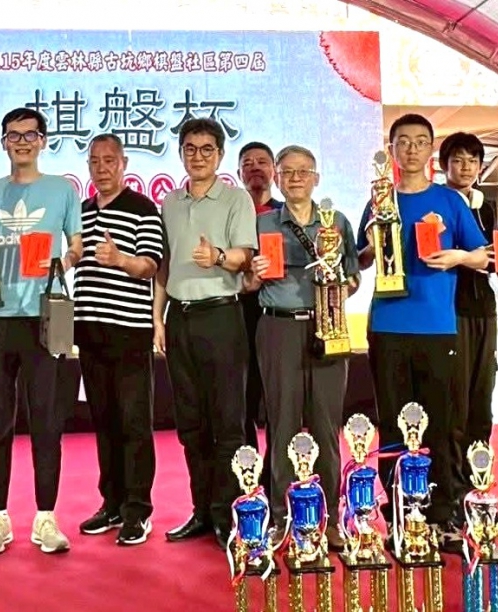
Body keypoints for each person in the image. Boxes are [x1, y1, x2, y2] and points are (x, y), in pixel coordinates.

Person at [356, 114, 488, 537]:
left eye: (419, 141)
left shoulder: (450, 200)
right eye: (403, 142)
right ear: (391, 150)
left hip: (437, 327)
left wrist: (458, 257)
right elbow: (361, 260)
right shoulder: (379, 200)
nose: (411, 149)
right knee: (393, 421)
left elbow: (483, 255)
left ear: (431, 149)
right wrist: (369, 244)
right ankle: (399, 511)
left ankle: (441, 511)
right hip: (387, 325)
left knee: (440, 421)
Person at [0, 107, 83, 555]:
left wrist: (59, 263)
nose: (21, 142)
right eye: (13, 135)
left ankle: (45, 517)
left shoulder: (62, 190)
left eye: (30, 135)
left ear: (43, 141)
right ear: (3, 143)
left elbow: (76, 246)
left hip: (45, 318)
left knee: (47, 421)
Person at [243, 145, 359, 551]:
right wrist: (255, 276)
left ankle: (330, 518)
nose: (295, 178)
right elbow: (246, 285)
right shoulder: (262, 223)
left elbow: (354, 279)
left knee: (327, 425)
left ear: (316, 178)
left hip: (328, 325)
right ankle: (282, 517)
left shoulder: (336, 222)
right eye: (287, 172)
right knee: (283, 424)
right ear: (276, 177)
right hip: (277, 328)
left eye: (303, 171)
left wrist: (337, 282)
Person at [153, 118, 257, 550]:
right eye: (190, 149)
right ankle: (200, 511)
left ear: (220, 155)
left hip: (221, 317)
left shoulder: (236, 199)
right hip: (179, 318)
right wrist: (158, 319)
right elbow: (164, 266)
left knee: (227, 423)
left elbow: (244, 257)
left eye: (207, 149)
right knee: (191, 424)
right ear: (181, 153)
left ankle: (226, 513)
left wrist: (215, 255)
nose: (198, 157)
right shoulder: (170, 203)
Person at [74, 134, 164, 546]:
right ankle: (110, 504)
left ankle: (137, 510)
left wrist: (120, 259)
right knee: (104, 421)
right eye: (95, 161)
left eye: (109, 160)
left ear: (124, 163)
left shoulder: (144, 209)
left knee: (134, 423)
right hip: (88, 331)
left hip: (129, 332)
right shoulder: (81, 211)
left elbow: (150, 267)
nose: (102, 168)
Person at [437, 132, 498, 528]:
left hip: (485, 311)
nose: (465, 167)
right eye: (457, 160)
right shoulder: (438, 204)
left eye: (472, 161)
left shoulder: (486, 207)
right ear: (443, 165)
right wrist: (467, 257)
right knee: (455, 407)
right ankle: (454, 493)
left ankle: (479, 489)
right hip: (451, 312)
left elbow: (493, 258)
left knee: (482, 402)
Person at [236, 142, 278, 493]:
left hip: (277, 317)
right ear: (238, 173)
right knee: (242, 402)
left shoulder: (285, 214)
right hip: (238, 315)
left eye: (262, 162)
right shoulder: (232, 214)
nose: (255, 168)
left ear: (274, 170)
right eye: (247, 163)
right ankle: (247, 478)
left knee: (279, 401)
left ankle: (277, 474)